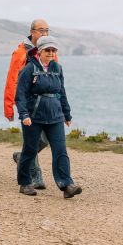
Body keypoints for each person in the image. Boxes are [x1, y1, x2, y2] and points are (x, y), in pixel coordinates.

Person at [15, 36, 82, 198]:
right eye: (48, 50)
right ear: (40, 51)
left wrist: (67, 114)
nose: (51, 53)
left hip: (55, 116)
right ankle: (24, 183)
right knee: (30, 151)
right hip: (33, 117)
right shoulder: (29, 69)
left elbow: (62, 92)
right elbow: (20, 95)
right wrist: (24, 114)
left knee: (60, 151)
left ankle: (66, 185)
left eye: (53, 50)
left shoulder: (57, 68)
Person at [3, 19, 57, 189]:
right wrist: (9, 107)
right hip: (27, 103)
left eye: (47, 30)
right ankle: (35, 176)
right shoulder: (20, 53)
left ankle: (22, 157)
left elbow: (55, 77)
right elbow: (12, 79)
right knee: (33, 139)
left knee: (45, 139)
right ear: (32, 32)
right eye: (41, 30)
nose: (45, 34)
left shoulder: (49, 50)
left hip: (47, 104)